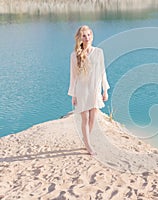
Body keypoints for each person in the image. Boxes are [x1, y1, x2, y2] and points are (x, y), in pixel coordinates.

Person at [68, 25, 110, 155]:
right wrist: (73, 95)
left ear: (92, 36)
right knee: (85, 118)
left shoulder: (99, 52)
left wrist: (105, 90)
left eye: (88, 35)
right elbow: (73, 76)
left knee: (93, 118)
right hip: (82, 89)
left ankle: (86, 140)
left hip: (95, 89)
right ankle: (89, 146)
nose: (87, 38)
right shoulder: (74, 55)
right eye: (84, 36)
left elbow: (103, 72)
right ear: (80, 38)